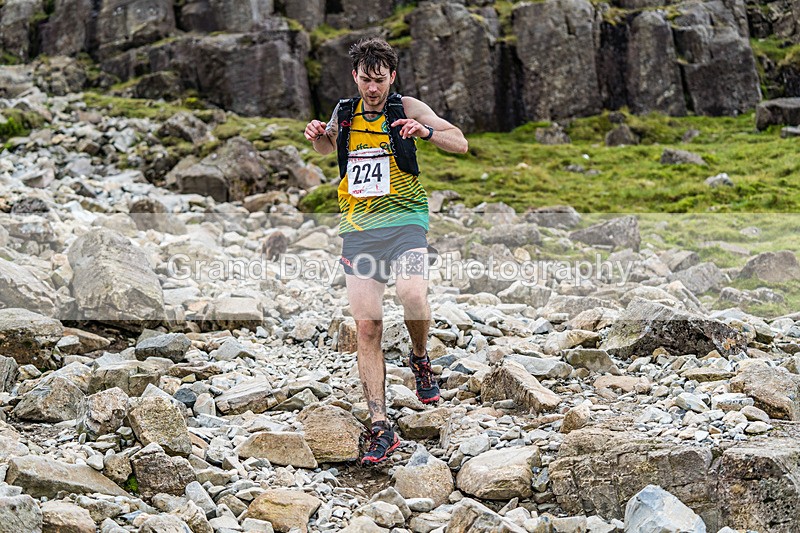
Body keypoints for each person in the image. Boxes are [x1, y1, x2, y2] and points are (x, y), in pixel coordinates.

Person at [304, 37, 468, 466]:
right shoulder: (346, 111)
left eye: (379, 80)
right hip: (358, 230)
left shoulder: (407, 108)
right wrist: (317, 135)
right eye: (365, 79)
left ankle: (419, 359)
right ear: (354, 76)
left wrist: (426, 132)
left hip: (406, 224)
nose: (372, 88)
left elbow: (461, 142)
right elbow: (326, 147)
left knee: (412, 296)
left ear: (392, 77)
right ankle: (380, 426)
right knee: (367, 326)